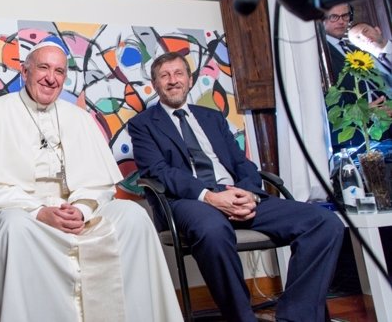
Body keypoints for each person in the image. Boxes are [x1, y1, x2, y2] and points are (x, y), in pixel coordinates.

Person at [0, 41, 183, 322]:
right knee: (13, 227)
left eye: (59, 71)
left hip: (76, 208)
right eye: (43, 68)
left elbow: (100, 184)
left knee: (133, 216)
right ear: (24, 71)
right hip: (20, 211)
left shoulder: (80, 118)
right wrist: (38, 211)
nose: (51, 78)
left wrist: (83, 208)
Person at [128, 51, 344, 322]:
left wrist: (249, 193)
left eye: (179, 73)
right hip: (189, 202)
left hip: (237, 193)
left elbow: (241, 163)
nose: (173, 80)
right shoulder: (142, 124)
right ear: (156, 84)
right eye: (165, 76)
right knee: (212, 230)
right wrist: (208, 196)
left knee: (325, 222)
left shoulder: (211, 117)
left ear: (190, 80)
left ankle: (296, 316)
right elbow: (158, 171)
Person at [322, 4, 392, 149]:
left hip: (385, 125)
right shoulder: (320, 53)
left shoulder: (355, 49)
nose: (341, 21)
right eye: (334, 17)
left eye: (345, 16)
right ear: (321, 20)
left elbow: (379, 82)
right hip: (359, 138)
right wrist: (363, 111)